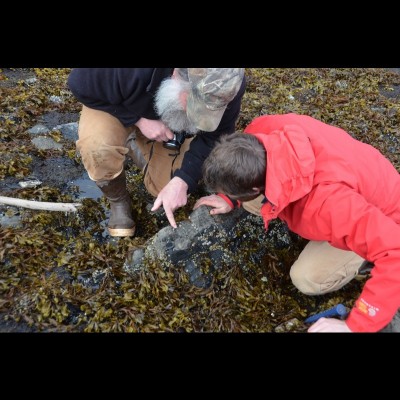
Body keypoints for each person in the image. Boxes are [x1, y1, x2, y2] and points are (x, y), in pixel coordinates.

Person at [193, 113, 400, 333]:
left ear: (254, 189)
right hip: (359, 173)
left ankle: (362, 262)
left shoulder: (328, 204)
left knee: (307, 278)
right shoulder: (261, 131)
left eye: (231, 193)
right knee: (252, 205)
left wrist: (354, 325)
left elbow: (395, 251)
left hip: (385, 220)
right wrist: (228, 198)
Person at [67, 68, 245, 236]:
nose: (197, 117)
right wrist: (138, 120)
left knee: (166, 188)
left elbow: (214, 138)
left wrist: (183, 180)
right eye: (193, 106)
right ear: (176, 76)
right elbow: (78, 84)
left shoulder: (228, 80)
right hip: (114, 103)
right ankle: (118, 200)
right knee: (97, 149)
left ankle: (137, 147)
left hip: (165, 124)